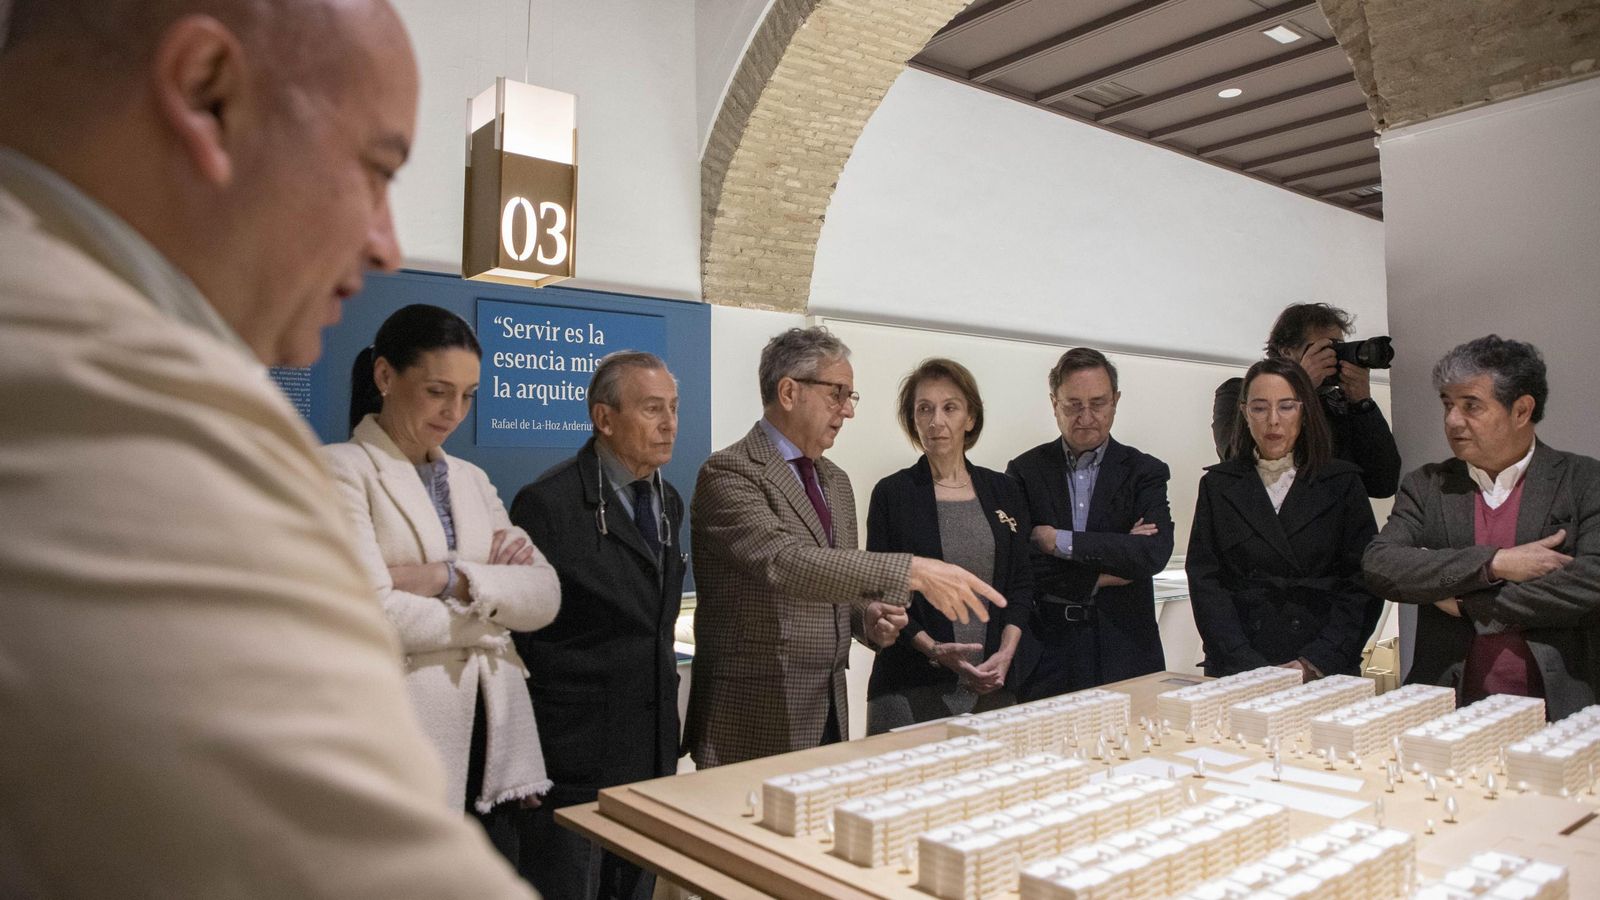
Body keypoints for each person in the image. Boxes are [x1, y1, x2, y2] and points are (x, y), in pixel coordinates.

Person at [0, 1, 539, 895]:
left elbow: (538, 594)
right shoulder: (107, 388)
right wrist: (476, 589)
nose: (385, 244)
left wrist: (440, 580)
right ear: (206, 92)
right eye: (376, 171)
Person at [684, 326, 1005, 767]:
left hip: (828, 707)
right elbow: (785, 563)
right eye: (837, 394)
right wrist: (913, 570)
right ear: (789, 392)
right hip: (755, 712)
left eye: (850, 396)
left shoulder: (834, 480)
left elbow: (837, 583)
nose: (847, 410)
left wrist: (866, 618)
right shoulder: (730, 472)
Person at [324, 304, 560, 864]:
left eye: (468, 395)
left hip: (494, 741)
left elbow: (545, 595)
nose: (454, 412)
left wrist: (448, 578)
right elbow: (372, 615)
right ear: (385, 376)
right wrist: (492, 615)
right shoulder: (340, 470)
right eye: (437, 391)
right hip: (401, 737)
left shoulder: (471, 480)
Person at [510, 351, 687, 900]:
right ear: (603, 418)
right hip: (573, 758)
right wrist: (518, 756)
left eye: (674, 408)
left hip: (649, 750)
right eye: (652, 409)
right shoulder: (549, 505)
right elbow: (515, 645)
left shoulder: (668, 501)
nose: (669, 424)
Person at [1364, 336, 1600, 720]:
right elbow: (1381, 565)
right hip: (1448, 707)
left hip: (1561, 710)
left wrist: (1466, 603)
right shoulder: (1428, 485)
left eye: (1471, 405)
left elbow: (1590, 584)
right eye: (1448, 405)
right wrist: (1495, 563)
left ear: (1521, 410)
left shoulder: (1583, 480)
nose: (1452, 420)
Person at [865, 359, 1035, 733]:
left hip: (994, 683)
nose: (936, 421)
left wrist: (1006, 654)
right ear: (913, 420)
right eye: (924, 409)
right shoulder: (892, 494)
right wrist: (934, 650)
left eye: (949, 408)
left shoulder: (1004, 490)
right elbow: (883, 590)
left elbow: (1021, 584)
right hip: (910, 685)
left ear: (970, 418)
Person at [1186, 358, 1381, 679]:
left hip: (1322, 663)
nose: (1273, 420)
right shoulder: (1218, 485)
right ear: (1244, 413)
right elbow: (1206, 583)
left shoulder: (1341, 482)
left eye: (1286, 407)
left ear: (1305, 411)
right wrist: (1245, 662)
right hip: (1239, 664)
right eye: (1260, 408)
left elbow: (1362, 582)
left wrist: (1317, 659)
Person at [1007, 348, 1174, 697]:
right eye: (1073, 405)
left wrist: (1058, 541)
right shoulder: (1025, 471)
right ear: (1054, 404)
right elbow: (1023, 564)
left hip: (1126, 646)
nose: (1086, 417)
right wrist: (1104, 572)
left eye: (1097, 403)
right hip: (1049, 651)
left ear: (1115, 401)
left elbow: (1151, 554)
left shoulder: (1145, 472)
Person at [1212, 303, 1402, 499]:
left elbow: (1383, 484)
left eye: (1338, 348)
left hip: (1334, 516)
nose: (1332, 357)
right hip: (1266, 514)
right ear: (1287, 353)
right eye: (1324, 349)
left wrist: (1362, 404)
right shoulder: (1238, 393)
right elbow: (1239, 459)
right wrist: (1301, 386)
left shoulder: (1341, 406)